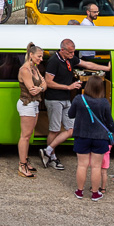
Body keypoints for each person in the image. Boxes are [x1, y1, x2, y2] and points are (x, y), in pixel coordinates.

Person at [40, 38, 89, 171]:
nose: (73, 55)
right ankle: (52, 157)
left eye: (74, 52)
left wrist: (107, 67)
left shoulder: (69, 59)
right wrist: (68, 87)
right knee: (54, 129)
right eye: (70, 52)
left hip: (66, 99)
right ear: (62, 50)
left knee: (71, 129)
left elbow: (87, 64)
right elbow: (48, 82)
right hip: (54, 99)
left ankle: (48, 151)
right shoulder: (53, 61)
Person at [71, 76, 114, 200]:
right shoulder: (104, 102)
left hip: (82, 135)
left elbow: (70, 114)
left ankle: (80, 191)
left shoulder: (79, 99)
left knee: (82, 165)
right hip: (100, 137)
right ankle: (95, 193)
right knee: (96, 166)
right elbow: (109, 121)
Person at [15, 42, 47, 178]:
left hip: (34, 104)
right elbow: (32, 90)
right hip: (26, 103)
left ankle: (25, 160)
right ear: (31, 55)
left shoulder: (34, 68)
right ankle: (22, 165)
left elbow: (44, 84)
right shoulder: (25, 70)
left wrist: (40, 87)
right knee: (25, 135)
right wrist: (41, 88)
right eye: (39, 56)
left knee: (29, 135)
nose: (41, 59)